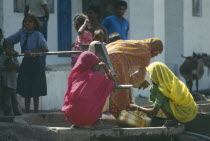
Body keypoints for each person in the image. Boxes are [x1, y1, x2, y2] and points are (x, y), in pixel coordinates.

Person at [106, 38, 163, 118]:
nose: (154, 56)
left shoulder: (140, 44)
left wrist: (138, 81)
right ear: (154, 50)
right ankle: (121, 114)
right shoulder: (146, 52)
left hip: (107, 54)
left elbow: (136, 78)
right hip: (117, 59)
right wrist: (141, 82)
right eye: (156, 54)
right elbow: (140, 75)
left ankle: (119, 111)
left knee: (122, 84)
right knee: (123, 90)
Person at [127, 62, 198, 124]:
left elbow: (154, 111)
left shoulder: (162, 89)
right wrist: (139, 108)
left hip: (183, 114)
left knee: (159, 98)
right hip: (189, 111)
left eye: (151, 74)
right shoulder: (171, 83)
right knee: (156, 93)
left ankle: (172, 120)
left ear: (156, 75)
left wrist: (137, 108)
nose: (150, 77)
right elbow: (157, 105)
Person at [6, 14, 48, 113]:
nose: (27, 23)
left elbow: (45, 49)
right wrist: (11, 51)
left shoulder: (38, 35)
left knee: (36, 89)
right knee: (26, 90)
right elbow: (7, 41)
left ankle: (36, 113)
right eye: (25, 21)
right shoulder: (21, 33)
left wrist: (33, 52)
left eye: (30, 22)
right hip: (26, 63)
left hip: (36, 63)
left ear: (34, 24)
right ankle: (27, 113)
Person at [62, 51, 114, 127]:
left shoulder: (75, 76)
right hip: (88, 117)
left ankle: (78, 123)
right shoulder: (94, 77)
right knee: (105, 91)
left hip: (71, 116)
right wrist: (105, 67)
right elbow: (112, 82)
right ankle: (94, 121)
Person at [0, 29, 21, 116]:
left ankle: (17, 112)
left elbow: (18, 66)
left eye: (12, 48)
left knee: (14, 99)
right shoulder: (3, 57)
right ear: (4, 49)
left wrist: (16, 66)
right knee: (7, 99)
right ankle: (8, 113)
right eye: (9, 48)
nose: (11, 49)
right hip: (5, 82)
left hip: (13, 82)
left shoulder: (14, 57)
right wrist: (8, 68)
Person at [24, 0, 49, 68]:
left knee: (34, 41)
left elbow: (26, 10)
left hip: (32, 20)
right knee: (43, 43)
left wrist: (27, 21)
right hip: (41, 19)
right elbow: (46, 10)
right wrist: (46, 20)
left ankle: (34, 64)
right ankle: (42, 65)